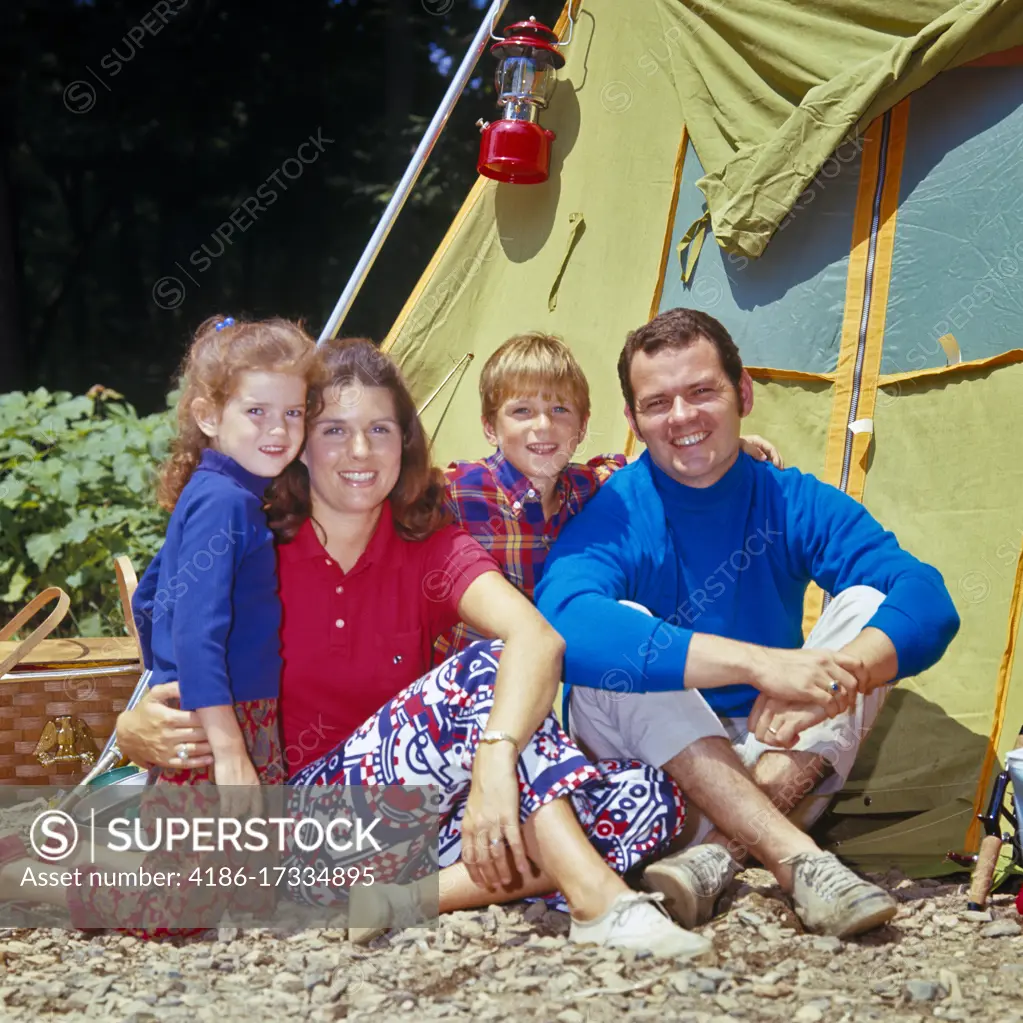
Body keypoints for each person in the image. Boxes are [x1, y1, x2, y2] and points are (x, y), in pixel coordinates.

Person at [113, 338, 710, 958]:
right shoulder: (250, 537)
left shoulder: (428, 545)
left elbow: (538, 637)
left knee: (649, 796)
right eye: (334, 430)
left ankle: (406, 900)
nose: (361, 452)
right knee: (482, 672)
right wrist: (131, 727)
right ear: (299, 444)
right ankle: (599, 904)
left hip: (416, 827)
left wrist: (494, 764)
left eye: (381, 429)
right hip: (291, 829)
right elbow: (173, 638)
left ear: (407, 443)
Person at [535, 307, 961, 939]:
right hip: (660, 775)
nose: (681, 418)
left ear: (744, 393)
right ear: (633, 421)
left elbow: (927, 599)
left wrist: (839, 678)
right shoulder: (618, 510)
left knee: (872, 612)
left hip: (780, 753)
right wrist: (759, 662)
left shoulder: (790, 498)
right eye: (658, 403)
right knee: (609, 648)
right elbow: (565, 620)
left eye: (702, 391)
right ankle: (798, 861)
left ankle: (721, 854)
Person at [0, 315, 323, 936]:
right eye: (257, 412)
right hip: (210, 724)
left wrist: (160, 670)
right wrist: (226, 745)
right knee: (177, 912)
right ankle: (22, 871)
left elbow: (150, 596)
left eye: (293, 412)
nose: (279, 430)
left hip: (236, 710)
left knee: (251, 890)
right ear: (209, 417)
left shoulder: (228, 492)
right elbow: (199, 630)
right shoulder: (224, 502)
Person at [436, 330, 782, 660]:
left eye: (560, 410)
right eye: (521, 411)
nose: (543, 426)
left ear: (582, 426)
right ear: (488, 427)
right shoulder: (460, 489)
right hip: (449, 680)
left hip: (525, 682)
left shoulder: (582, 488)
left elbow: (646, 464)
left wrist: (722, 445)